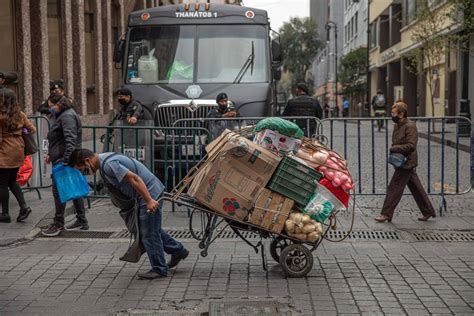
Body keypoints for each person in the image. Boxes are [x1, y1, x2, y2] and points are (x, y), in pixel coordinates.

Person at [68, 148, 189, 280]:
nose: (84, 173)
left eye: (82, 169)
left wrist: (148, 200)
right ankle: (178, 250)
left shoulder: (108, 164)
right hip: (144, 193)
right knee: (150, 228)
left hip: (148, 192)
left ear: (87, 161)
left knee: (148, 233)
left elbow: (135, 179)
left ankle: (159, 269)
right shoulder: (103, 163)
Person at [375, 102, 436, 223]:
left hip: (407, 161)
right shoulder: (397, 125)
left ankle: (386, 214)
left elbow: (411, 145)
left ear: (401, 114)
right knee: (416, 187)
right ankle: (428, 211)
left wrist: (394, 149)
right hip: (401, 160)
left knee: (394, 187)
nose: (391, 115)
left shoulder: (410, 126)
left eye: (393, 113)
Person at [41, 93, 88, 236]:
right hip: (63, 157)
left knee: (59, 191)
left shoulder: (66, 116)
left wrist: (66, 160)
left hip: (64, 159)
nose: (51, 109)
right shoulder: (64, 114)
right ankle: (82, 220)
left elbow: (70, 140)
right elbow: (60, 139)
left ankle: (58, 224)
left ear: (59, 104)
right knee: (72, 188)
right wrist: (51, 153)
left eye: (52, 106)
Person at [0, 89, 36, 223]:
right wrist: (20, 131)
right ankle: (23, 207)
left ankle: (5, 214)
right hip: (18, 150)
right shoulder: (19, 114)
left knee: (2, 184)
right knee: (12, 181)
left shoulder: (1, 116)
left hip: (4, 152)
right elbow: (32, 129)